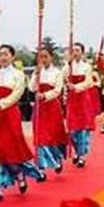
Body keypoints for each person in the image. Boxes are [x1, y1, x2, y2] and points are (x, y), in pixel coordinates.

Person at [0, 45, 44, 203]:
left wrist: (2, 103)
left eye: (6, 54)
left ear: (13, 57)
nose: (2, 57)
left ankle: (20, 174)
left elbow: (17, 93)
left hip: (9, 114)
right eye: (0, 55)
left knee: (11, 149)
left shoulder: (18, 74)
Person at [28, 46, 67, 174]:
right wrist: (36, 74)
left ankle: (56, 159)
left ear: (51, 57)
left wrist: (45, 95)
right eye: (40, 57)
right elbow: (31, 88)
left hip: (52, 107)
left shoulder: (57, 72)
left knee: (51, 136)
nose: (43, 59)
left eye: (45, 56)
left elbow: (58, 90)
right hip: (39, 108)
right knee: (39, 136)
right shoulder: (37, 72)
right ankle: (42, 164)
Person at [63, 43, 95, 168]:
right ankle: (76, 151)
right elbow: (63, 78)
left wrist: (76, 87)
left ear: (82, 52)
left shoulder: (87, 66)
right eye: (73, 50)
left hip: (83, 99)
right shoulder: (67, 67)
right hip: (72, 100)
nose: (75, 52)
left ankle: (82, 155)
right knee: (72, 129)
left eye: (77, 50)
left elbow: (89, 82)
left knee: (83, 129)